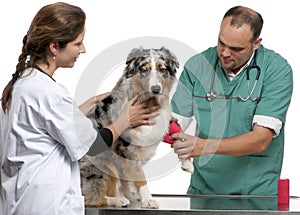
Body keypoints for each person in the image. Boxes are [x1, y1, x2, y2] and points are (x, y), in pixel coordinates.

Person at [0, 2, 160, 215]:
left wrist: (83, 107)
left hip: (19, 201)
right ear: (54, 46)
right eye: (78, 43)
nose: (83, 49)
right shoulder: (50, 93)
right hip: (46, 205)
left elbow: (43, 128)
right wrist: (124, 121)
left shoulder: (22, 84)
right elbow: (92, 145)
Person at [170, 6, 293, 196]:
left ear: (256, 43)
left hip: (255, 194)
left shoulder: (276, 70)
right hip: (202, 192)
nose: (225, 53)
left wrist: (203, 146)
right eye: (221, 43)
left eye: (236, 48)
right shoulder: (198, 65)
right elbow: (172, 122)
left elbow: (261, 139)